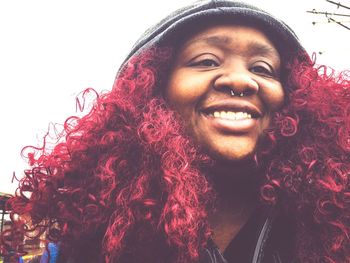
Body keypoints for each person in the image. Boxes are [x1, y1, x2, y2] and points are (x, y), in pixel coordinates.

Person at [1, 0, 349, 262]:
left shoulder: (336, 226)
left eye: (263, 68)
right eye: (207, 61)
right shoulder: (84, 242)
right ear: (151, 91)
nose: (242, 80)